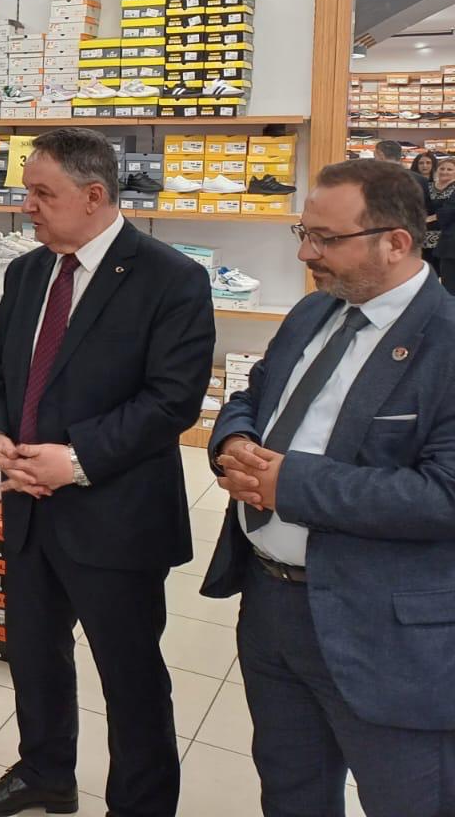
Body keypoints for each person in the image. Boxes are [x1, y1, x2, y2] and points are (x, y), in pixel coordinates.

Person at [0, 127, 215, 817]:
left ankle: (140, 804)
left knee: (130, 678)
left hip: (116, 515)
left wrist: (74, 459)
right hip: (28, 505)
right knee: (34, 657)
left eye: (43, 194)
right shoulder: (28, 271)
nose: (27, 207)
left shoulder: (170, 278)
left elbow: (173, 400)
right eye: (27, 192)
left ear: (94, 195)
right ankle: (45, 773)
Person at [202, 158, 455, 817]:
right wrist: (232, 441)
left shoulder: (447, 342)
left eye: (326, 239)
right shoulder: (314, 312)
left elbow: (444, 495)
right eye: (303, 233)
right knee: (291, 789)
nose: (306, 253)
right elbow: (253, 394)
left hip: (382, 628)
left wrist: (291, 483)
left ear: (395, 242)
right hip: (270, 604)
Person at [432, 158, 455, 292]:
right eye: (442, 168)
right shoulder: (428, 185)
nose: (445, 172)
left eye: (450, 169)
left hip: (448, 241)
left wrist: (425, 219)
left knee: (449, 287)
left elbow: (448, 212)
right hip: (435, 239)